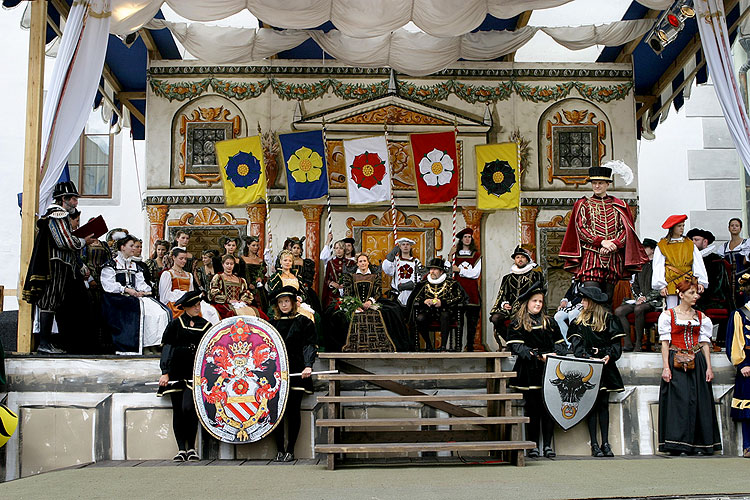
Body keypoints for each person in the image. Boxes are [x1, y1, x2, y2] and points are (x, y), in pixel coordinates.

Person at [23, 181, 97, 353]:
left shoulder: (59, 215)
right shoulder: (57, 214)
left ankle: (49, 343)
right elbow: (64, 241)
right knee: (49, 301)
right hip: (54, 266)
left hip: (62, 266)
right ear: (64, 199)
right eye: (73, 199)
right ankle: (44, 343)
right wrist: (84, 241)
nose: (76, 203)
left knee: (54, 302)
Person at [559, 163, 648, 304]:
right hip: (591, 256)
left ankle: (606, 325)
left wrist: (615, 243)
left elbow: (626, 230)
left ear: (607, 184)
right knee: (591, 298)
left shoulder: (619, 205)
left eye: (600, 183)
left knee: (607, 301)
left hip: (613, 258)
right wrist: (601, 241)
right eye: (594, 183)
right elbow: (581, 229)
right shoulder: (583, 204)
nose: (597, 186)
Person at [657, 278, 721, 455]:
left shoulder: (701, 317)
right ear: (681, 294)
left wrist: (709, 367)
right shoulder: (668, 315)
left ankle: (699, 444)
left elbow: (705, 343)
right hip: (675, 359)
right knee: (679, 401)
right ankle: (677, 444)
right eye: (691, 293)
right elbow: (664, 343)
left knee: (699, 400)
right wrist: (665, 367)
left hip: (697, 359)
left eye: (696, 293)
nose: (696, 296)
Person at [507, 283, 567, 459]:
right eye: (534, 301)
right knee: (532, 409)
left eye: (540, 301)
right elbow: (518, 347)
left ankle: (547, 445)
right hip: (529, 371)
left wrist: (554, 354)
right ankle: (533, 446)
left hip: (549, 371)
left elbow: (562, 345)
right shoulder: (518, 323)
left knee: (549, 409)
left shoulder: (550, 322)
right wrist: (538, 356)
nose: (538, 304)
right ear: (527, 302)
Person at [568, 285, 625, 457]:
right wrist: (589, 356)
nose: (582, 303)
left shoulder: (609, 319)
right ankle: (594, 444)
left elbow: (616, 348)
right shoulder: (578, 322)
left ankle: (605, 443)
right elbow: (577, 349)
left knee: (603, 406)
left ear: (592, 302)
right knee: (591, 407)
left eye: (585, 300)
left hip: (606, 368)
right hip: (588, 369)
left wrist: (606, 355)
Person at [158, 290, 212, 462]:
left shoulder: (205, 325)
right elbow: (168, 347)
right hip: (176, 370)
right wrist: (165, 372)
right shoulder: (175, 324)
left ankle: (192, 447)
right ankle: (182, 449)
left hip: (194, 372)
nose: (197, 308)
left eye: (198, 305)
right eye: (194, 305)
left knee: (189, 408)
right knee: (178, 410)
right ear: (186, 307)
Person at [268, 286, 317, 462]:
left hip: (297, 369)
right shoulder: (271, 324)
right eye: (280, 302)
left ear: (293, 302)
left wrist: (308, 365)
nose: (283, 305)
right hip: (275, 374)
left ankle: (291, 450)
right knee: (277, 411)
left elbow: (309, 345)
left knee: (292, 410)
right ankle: (279, 449)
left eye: (286, 301)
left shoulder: (304, 322)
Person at [100, 234, 171, 354]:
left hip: (134, 296)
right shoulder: (111, 265)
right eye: (131, 246)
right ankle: (138, 346)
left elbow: (140, 282)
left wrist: (144, 291)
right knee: (139, 310)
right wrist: (126, 290)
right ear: (122, 247)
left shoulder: (134, 265)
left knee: (160, 310)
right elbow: (109, 286)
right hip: (116, 298)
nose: (134, 248)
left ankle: (153, 344)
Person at [340, 253, 410, 352]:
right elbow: (347, 292)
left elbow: (377, 292)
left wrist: (370, 301)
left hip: (372, 302)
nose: (363, 263)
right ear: (357, 264)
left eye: (365, 261)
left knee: (392, 311)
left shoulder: (374, 275)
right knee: (335, 315)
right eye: (360, 261)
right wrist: (355, 305)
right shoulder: (351, 276)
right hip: (355, 304)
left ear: (368, 263)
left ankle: (382, 344)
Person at [490, 246, 545, 349]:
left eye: (522, 257)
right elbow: (502, 294)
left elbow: (539, 293)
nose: (520, 259)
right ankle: (511, 342)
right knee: (496, 318)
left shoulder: (535, 275)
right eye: (517, 257)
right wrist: (504, 303)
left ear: (527, 259)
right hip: (511, 309)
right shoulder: (507, 278)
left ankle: (525, 344)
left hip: (528, 307)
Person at [409, 258, 468, 351]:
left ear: (441, 271)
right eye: (431, 269)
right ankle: (428, 345)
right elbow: (415, 298)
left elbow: (460, 298)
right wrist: (424, 301)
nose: (432, 271)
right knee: (420, 319)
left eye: (435, 269)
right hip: (429, 312)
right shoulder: (424, 284)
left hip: (446, 311)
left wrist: (443, 303)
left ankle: (443, 346)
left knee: (445, 316)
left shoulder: (451, 284)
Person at [614, 238, 661, 352]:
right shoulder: (640, 265)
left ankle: (639, 343)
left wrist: (646, 298)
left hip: (653, 301)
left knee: (639, 309)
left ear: (653, 250)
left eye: (645, 247)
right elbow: (635, 285)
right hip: (640, 300)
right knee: (619, 311)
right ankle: (628, 342)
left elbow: (660, 286)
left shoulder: (658, 265)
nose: (643, 250)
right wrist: (639, 297)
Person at [652, 215, 708, 309]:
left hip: (687, 280)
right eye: (679, 226)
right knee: (672, 308)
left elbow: (698, 263)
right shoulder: (662, 245)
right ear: (672, 227)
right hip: (671, 281)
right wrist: (661, 285)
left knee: (688, 307)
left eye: (683, 225)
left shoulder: (689, 244)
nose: (682, 228)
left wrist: (701, 282)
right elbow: (658, 266)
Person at [159, 247, 220, 324]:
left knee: (209, 310)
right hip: (175, 303)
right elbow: (164, 296)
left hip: (189, 301)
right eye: (181, 258)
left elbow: (191, 292)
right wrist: (181, 295)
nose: (184, 261)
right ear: (174, 258)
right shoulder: (168, 274)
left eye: (185, 259)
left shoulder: (189, 275)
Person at [726, 273, 750, 457]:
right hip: (748, 367)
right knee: (748, 411)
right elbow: (732, 343)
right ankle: (748, 446)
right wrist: (742, 363)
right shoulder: (739, 314)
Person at [449, 228, 482, 351]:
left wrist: (460, 270)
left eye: (469, 237)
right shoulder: (454, 255)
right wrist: (449, 255)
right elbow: (448, 270)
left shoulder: (477, 255)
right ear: (461, 239)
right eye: (465, 237)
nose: (467, 239)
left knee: (472, 322)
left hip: (472, 292)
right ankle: (458, 346)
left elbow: (475, 273)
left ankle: (470, 346)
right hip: (458, 292)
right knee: (458, 321)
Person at [688, 229, 732, 315]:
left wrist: (699, 295)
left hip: (711, 298)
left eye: (696, 240)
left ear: (705, 242)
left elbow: (717, 285)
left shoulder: (715, 260)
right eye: (691, 240)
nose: (693, 242)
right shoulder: (688, 258)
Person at [267, 250, 316, 323]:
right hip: (281, 304)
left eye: (290, 261)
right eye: (285, 260)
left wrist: (299, 299)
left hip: (297, 304)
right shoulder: (275, 277)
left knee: (309, 316)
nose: (287, 262)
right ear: (280, 261)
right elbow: (273, 294)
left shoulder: (297, 276)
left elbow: (303, 293)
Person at [208, 255, 261, 319]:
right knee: (231, 314)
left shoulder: (240, 280)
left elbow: (246, 293)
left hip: (239, 304)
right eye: (227, 264)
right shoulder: (218, 277)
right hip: (224, 304)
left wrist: (242, 301)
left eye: (231, 264)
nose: (229, 266)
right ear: (223, 264)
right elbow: (213, 294)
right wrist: (228, 300)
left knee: (257, 313)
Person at [382, 237, 423, 310]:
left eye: (407, 244)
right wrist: (391, 255)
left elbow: (419, 276)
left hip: (411, 293)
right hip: (397, 294)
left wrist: (409, 285)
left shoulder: (416, 261)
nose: (405, 246)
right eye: (403, 244)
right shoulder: (396, 260)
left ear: (410, 247)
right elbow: (388, 270)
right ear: (400, 247)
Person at [717, 218, 750, 307]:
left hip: (743, 278)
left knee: (744, 300)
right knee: (731, 302)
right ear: (729, 228)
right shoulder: (724, 246)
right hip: (729, 280)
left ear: (740, 228)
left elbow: (746, 262)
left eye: (737, 226)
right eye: (732, 225)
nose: (734, 227)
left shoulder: (746, 243)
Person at [321, 240, 353, 309]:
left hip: (346, 292)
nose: (338, 250)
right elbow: (326, 278)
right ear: (334, 249)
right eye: (337, 248)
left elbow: (353, 278)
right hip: (333, 293)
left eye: (341, 248)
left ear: (344, 250)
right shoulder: (330, 262)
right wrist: (331, 283)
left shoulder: (350, 263)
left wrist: (346, 284)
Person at [241, 236, 269, 314]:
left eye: (257, 245)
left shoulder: (260, 260)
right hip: (246, 289)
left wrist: (261, 278)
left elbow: (263, 274)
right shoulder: (242, 259)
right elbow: (240, 274)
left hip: (259, 289)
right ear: (248, 245)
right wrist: (248, 284)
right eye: (253, 245)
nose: (256, 247)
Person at [553, 279, 582, 345]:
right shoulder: (575, 279)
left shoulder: (587, 278)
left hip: (582, 305)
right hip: (571, 306)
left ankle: (575, 342)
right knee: (558, 316)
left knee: (572, 314)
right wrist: (565, 300)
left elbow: (583, 296)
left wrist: (569, 304)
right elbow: (570, 292)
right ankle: (567, 342)